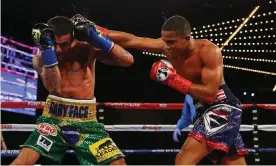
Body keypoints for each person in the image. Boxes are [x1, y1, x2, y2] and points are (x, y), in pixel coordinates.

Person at [100, 15, 248, 165]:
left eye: (171, 42)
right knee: (232, 162)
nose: (166, 46)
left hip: (222, 108)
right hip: (202, 110)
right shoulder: (167, 46)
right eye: (164, 41)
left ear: (186, 38)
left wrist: (173, 79)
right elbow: (132, 40)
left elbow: (210, 95)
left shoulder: (208, 51)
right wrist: (98, 31)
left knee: (183, 159)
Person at [11, 15, 134, 165]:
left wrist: (98, 38)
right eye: (54, 44)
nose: (59, 49)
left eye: (64, 44)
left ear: (74, 38)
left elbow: (127, 60)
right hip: (53, 119)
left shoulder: (87, 49)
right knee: (21, 162)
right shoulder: (40, 58)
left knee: (118, 163)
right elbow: (54, 88)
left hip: (86, 120)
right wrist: (48, 52)